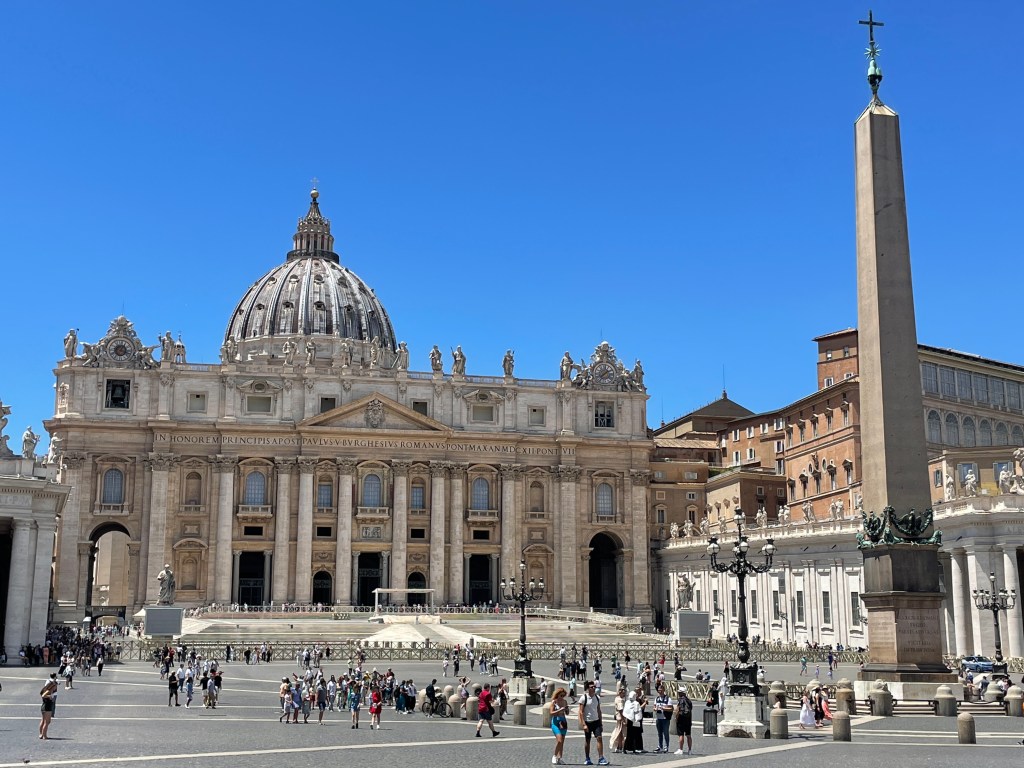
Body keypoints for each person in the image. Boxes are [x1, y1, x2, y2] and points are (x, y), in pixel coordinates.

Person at [578, 680, 609, 766]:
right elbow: (581, 712)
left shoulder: (597, 697)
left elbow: (599, 710)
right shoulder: (583, 698)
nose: (594, 688)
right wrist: (583, 724)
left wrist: (601, 723)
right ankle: (587, 758)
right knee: (587, 740)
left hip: (596, 721)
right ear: (588, 688)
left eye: (594, 687)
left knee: (599, 738)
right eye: (592, 687)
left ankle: (601, 758)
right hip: (587, 722)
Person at [550, 687, 569, 764]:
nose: (562, 697)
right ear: (557, 695)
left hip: (563, 722)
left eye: (563, 696)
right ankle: (554, 755)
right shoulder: (554, 702)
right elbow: (551, 713)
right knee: (559, 740)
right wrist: (559, 710)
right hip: (555, 722)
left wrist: (566, 710)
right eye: (561, 695)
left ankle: (559, 758)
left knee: (562, 741)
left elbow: (567, 713)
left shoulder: (565, 702)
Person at [622, 690, 645, 755]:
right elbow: (638, 711)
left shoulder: (627, 702)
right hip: (634, 721)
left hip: (629, 720)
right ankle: (634, 749)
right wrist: (638, 719)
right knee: (634, 735)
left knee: (628, 735)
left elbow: (625, 711)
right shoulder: (636, 703)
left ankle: (625, 748)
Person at [674, 684, 693, 755]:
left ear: (681, 693)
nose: (678, 693)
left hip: (681, 718)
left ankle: (681, 749)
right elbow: (691, 710)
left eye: (679, 692)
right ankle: (690, 750)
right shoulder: (689, 701)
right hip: (688, 719)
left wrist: (676, 718)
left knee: (681, 735)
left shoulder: (680, 700)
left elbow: (677, 710)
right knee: (688, 735)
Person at [653, 683, 672, 753]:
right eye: (658, 690)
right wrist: (655, 709)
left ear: (664, 690)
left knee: (666, 733)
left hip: (665, 718)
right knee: (659, 733)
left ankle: (666, 747)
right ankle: (660, 746)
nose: (659, 692)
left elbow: (671, 708)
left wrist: (663, 708)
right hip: (658, 718)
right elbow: (654, 707)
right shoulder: (657, 698)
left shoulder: (668, 699)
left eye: (661, 690)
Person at [40, 675, 58, 739]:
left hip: (45, 706)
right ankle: (44, 735)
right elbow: (43, 695)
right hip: (47, 707)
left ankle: (41, 734)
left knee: (43, 721)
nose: (56, 687)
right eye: (55, 686)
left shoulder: (48, 690)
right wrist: (49, 696)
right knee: (47, 722)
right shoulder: (48, 691)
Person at [609, 685, 627, 753]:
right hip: (621, 718)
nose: (624, 694)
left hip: (619, 717)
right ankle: (620, 746)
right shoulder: (620, 700)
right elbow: (620, 710)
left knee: (619, 732)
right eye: (623, 693)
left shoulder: (617, 698)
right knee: (621, 733)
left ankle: (619, 746)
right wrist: (623, 719)